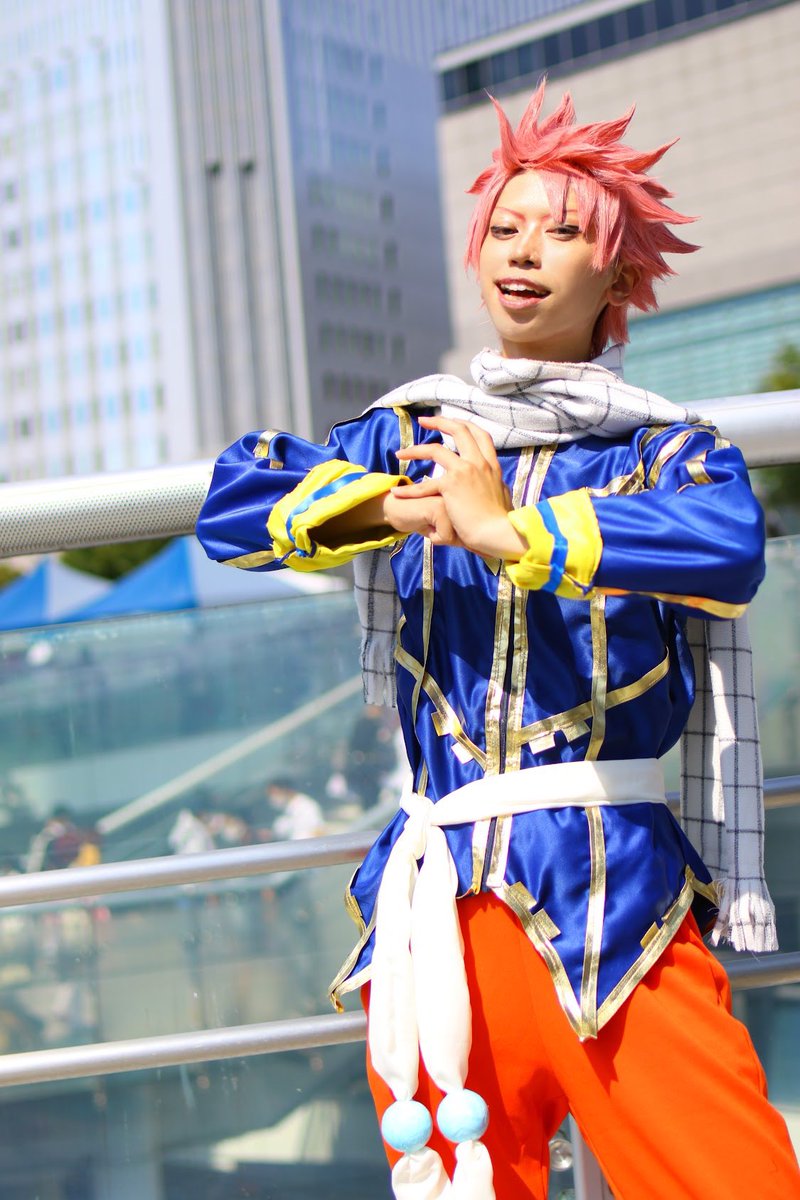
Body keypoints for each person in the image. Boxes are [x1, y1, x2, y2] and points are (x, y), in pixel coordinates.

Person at [196, 84, 800, 1200]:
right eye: (504, 227)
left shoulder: (666, 451)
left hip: (618, 904)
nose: (522, 251)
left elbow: (727, 545)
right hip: (435, 919)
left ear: (617, 277)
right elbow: (234, 503)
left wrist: (505, 532)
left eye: (561, 232)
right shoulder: (409, 435)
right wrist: (386, 506)